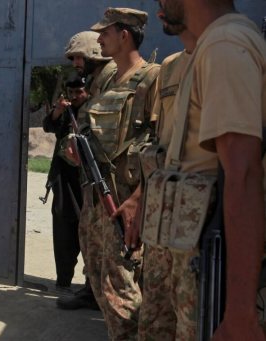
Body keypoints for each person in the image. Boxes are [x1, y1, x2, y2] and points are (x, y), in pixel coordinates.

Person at [137, 1, 266, 340]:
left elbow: (244, 174)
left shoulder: (225, 45)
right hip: (188, 249)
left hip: (209, 261)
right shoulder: (207, 47)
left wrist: (240, 311)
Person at [76, 8, 159, 340]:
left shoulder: (153, 77)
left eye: (105, 33)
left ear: (124, 35)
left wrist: (138, 199)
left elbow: (160, 145)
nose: (99, 39)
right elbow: (88, 126)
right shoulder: (108, 77)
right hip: (95, 197)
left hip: (125, 199)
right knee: (98, 277)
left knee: (121, 287)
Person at [134, 4, 197, 339]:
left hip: (200, 217)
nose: (159, 14)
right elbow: (158, 141)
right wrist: (143, 199)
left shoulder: (233, 54)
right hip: (162, 209)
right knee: (155, 314)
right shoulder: (170, 68)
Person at [55, 31, 117, 311]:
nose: (76, 63)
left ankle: (108, 297)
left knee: (110, 242)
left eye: (79, 56)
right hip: (91, 177)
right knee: (90, 236)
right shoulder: (97, 83)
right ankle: (92, 291)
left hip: (112, 177)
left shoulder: (115, 79)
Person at [42, 76, 88, 291]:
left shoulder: (93, 110)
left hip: (89, 183)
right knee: (63, 230)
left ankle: (91, 286)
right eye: (72, 93)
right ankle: (63, 281)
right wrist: (58, 110)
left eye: (80, 92)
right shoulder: (65, 112)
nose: (75, 97)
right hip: (64, 181)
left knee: (89, 232)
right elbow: (48, 125)